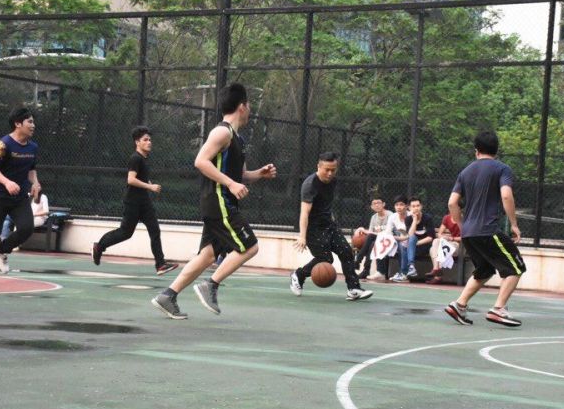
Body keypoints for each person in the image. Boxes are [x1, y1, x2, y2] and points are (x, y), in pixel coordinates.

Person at [150, 83, 277, 319]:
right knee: (250, 246)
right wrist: (230, 184)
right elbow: (200, 161)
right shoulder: (222, 132)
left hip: (220, 203)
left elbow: (240, 176)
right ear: (242, 106)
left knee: (207, 255)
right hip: (218, 201)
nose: (250, 110)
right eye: (249, 105)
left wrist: (259, 174)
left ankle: (167, 296)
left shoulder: (237, 139)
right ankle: (211, 285)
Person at [444, 130, 526, 327]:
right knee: (516, 267)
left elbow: (452, 203)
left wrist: (462, 225)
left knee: (485, 269)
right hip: (487, 230)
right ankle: (498, 309)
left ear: (476, 151)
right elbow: (506, 195)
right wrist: (514, 224)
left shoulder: (465, 172)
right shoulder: (502, 169)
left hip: (469, 233)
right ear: (496, 150)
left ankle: (459, 305)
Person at [91, 126, 178, 276]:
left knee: (155, 230)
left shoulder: (144, 159)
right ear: (137, 142)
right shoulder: (135, 158)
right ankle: (99, 246)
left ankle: (160, 265)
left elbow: (139, 177)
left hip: (144, 202)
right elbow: (131, 180)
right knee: (125, 233)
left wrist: (147, 182)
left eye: (150, 140)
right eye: (145, 140)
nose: (149, 142)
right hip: (133, 202)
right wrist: (150, 187)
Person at [290, 152, 373, 301]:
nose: (330, 173)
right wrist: (302, 236)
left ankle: (353, 289)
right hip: (313, 228)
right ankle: (299, 274)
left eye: (333, 170)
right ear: (319, 166)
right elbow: (304, 212)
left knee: (346, 251)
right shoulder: (310, 185)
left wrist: (332, 221)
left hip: (329, 224)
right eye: (326, 169)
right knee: (325, 258)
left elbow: (326, 204)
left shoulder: (333, 181)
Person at [0, 107, 41, 284]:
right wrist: (7, 182)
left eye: (33, 122)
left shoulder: (33, 147)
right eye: (29, 122)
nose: (33, 125)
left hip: (20, 198)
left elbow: (31, 169)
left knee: (26, 228)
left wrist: (35, 183)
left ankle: (2, 250)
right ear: (18, 124)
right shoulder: (2, 144)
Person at [354, 195, 390, 279]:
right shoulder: (373, 217)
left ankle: (358, 260)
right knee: (372, 243)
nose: (377, 205)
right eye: (374, 203)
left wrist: (363, 230)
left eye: (378, 203)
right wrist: (362, 230)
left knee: (371, 238)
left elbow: (388, 233)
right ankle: (365, 269)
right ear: (372, 207)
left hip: (389, 241)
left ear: (383, 204)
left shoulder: (390, 215)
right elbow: (371, 232)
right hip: (378, 241)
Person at [403, 197, 435, 279]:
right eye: (413, 206)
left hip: (425, 246)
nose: (416, 208)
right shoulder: (408, 219)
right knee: (404, 246)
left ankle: (404, 273)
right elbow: (410, 235)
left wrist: (414, 244)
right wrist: (414, 220)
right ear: (409, 208)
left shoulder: (427, 218)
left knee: (407, 247)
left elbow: (430, 237)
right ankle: (410, 268)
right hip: (413, 247)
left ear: (421, 206)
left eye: (418, 206)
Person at [425, 213, 462, 285]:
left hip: (458, 245)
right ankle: (436, 268)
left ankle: (437, 276)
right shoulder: (447, 218)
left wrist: (451, 238)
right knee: (436, 241)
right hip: (447, 243)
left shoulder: (464, 219)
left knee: (433, 250)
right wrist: (443, 237)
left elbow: (465, 237)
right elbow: (439, 234)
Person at [388, 195, 411, 282]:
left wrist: (400, 238)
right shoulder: (392, 217)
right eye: (396, 205)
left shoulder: (411, 216)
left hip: (410, 240)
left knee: (402, 245)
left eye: (401, 204)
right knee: (377, 242)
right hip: (397, 238)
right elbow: (388, 232)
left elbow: (410, 235)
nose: (399, 207)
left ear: (406, 206)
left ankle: (403, 273)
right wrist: (393, 237)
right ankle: (381, 273)